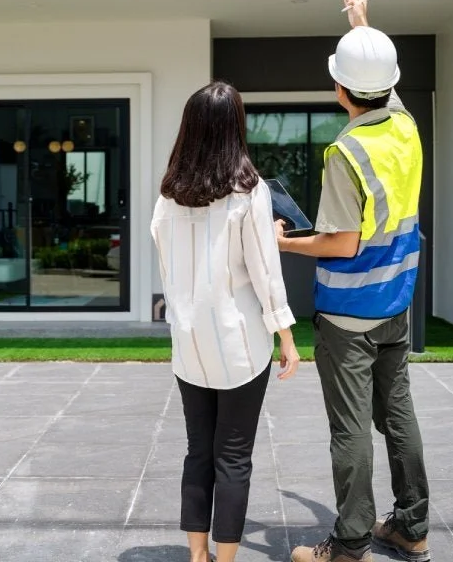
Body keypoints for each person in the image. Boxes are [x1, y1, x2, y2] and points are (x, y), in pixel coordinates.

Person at [280, 0, 430, 562]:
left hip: (348, 315)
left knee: (350, 431)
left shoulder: (346, 153)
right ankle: (411, 526)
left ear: (339, 89)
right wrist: (363, 27)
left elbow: (341, 242)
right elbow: (387, 89)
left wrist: (286, 241)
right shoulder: (407, 129)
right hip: (396, 303)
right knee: (398, 416)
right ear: (389, 84)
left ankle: (346, 545)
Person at [151, 81, 301, 562]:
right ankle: (227, 558)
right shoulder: (249, 192)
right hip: (240, 345)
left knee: (198, 453)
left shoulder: (168, 195)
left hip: (189, 343)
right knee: (233, 456)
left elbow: (167, 262)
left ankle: (198, 555)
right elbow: (265, 272)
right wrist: (287, 336)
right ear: (234, 128)